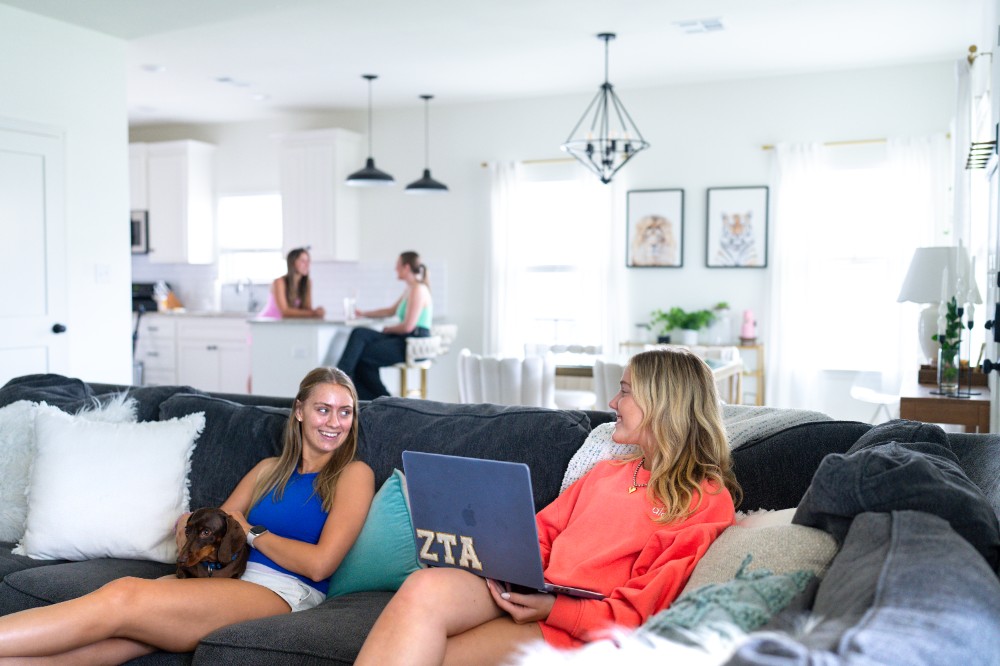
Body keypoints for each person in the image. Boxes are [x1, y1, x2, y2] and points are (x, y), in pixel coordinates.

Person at [356, 347, 740, 666]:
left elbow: (639, 612)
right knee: (424, 585)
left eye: (625, 391)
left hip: (574, 625)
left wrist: (552, 608)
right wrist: (502, 564)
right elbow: (541, 534)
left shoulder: (704, 499)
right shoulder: (609, 472)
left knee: (433, 657)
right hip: (529, 589)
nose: (612, 403)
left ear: (663, 402)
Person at [0, 367, 374, 663]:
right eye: (323, 409)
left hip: (283, 589)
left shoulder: (353, 474)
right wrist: (188, 527)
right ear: (299, 411)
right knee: (116, 637)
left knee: (124, 595)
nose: (333, 422)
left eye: (345, 412)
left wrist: (253, 533)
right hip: (227, 577)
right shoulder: (268, 469)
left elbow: (320, 565)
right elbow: (222, 522)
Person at [337, 250, 432, 400]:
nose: (395, 269)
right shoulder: (410, 289)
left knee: (363, 357)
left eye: (397, 266)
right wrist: (363, 313)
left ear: (406, 267)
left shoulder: (418, 289)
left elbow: (408, 326)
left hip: (413, 341)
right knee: (359, 333)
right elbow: (390, 311)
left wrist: (389, 329)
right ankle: (341, 379)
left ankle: (386, 401)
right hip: (404, 337)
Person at [258, 248, 326, 319]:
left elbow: (307, 308)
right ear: (292, 263)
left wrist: (317, 311)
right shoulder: (279, 282)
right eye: (303, 261)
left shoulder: (307, 283)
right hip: (267, 323)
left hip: (286, 324)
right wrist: (313, 313)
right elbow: (285, 311)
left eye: (308, 261)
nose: (307, 265)